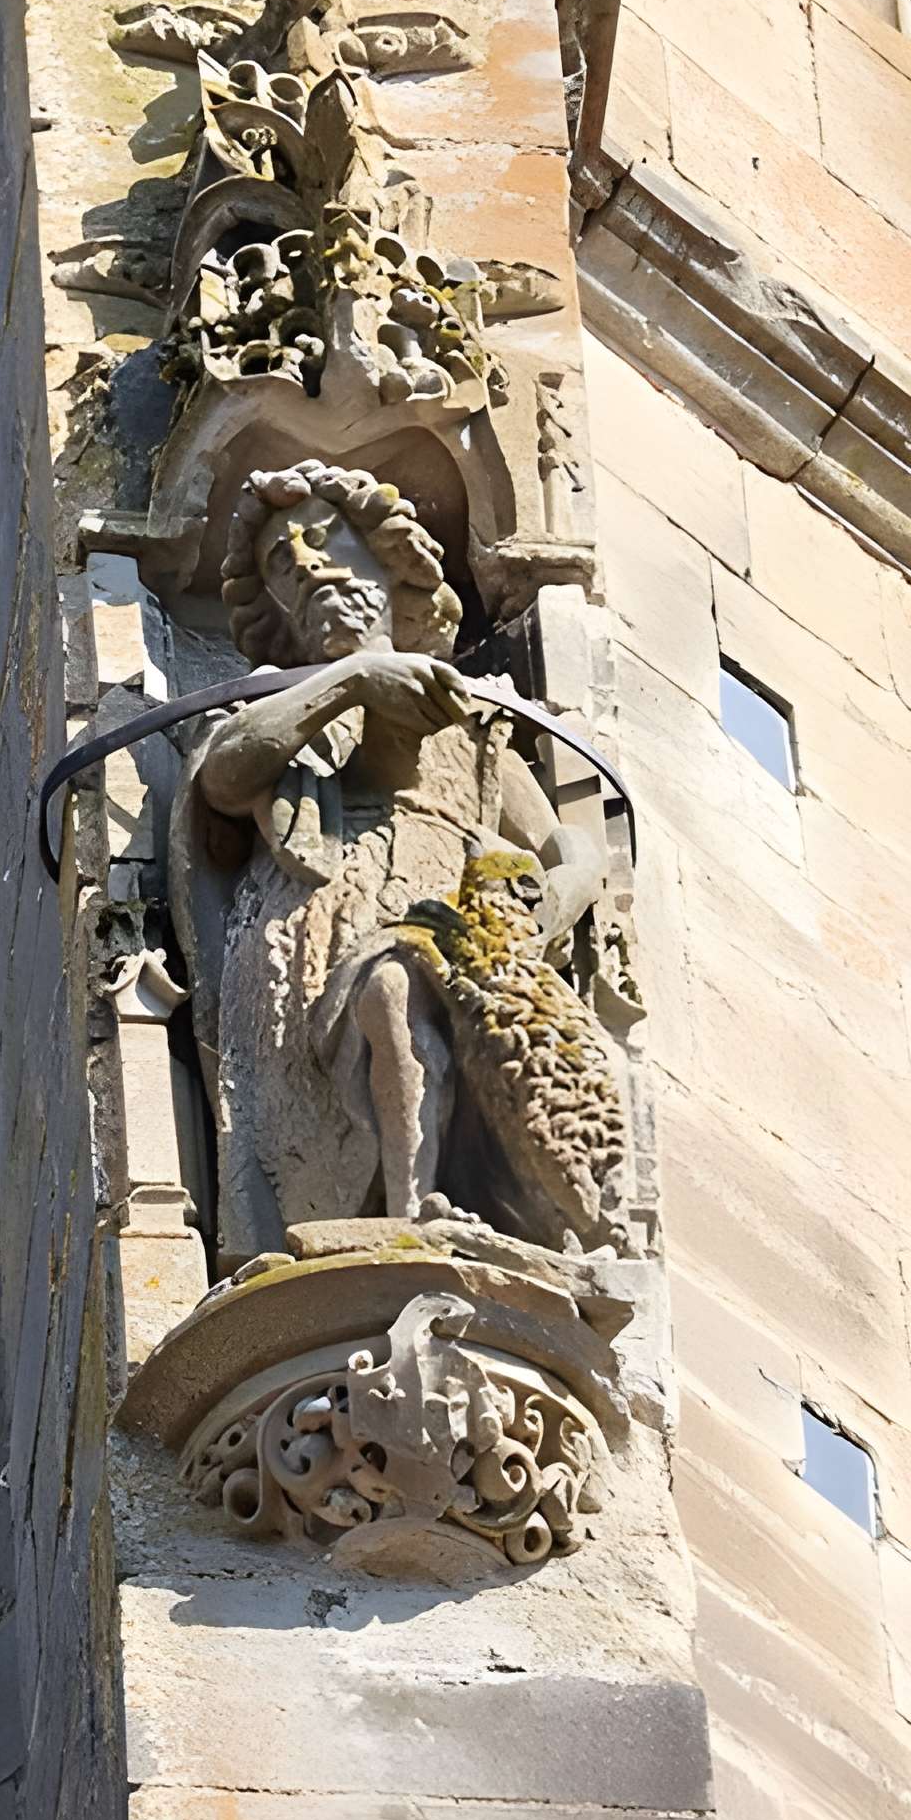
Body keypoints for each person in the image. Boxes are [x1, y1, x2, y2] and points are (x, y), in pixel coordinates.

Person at [171, 459, 621, 1265]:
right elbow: (226, 774)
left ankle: (430, 1208)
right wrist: (351, 683)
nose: (307, 565)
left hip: (453, 914)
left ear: (388, 553)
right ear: (273, 603)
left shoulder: (470, 723)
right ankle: (401, 1217)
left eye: (323, 537)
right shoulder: (278, 701)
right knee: (389, 987)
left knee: (415, 999)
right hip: (321, 918)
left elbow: (574, 847)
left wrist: (538, 910)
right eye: (281, 561)